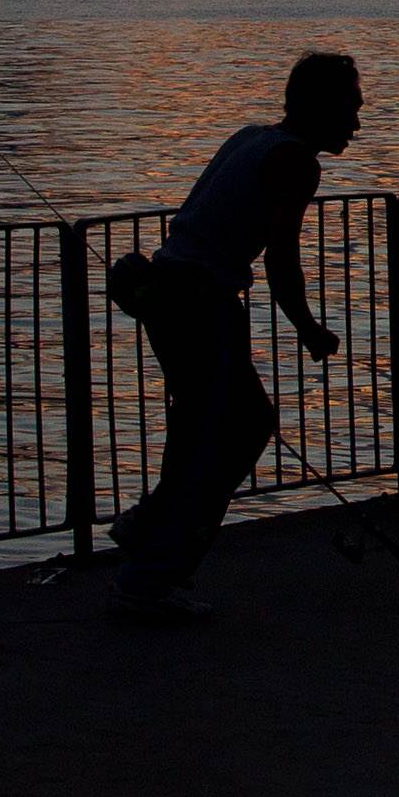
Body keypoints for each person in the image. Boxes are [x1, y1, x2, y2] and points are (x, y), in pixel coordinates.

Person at [107, 52, 362, 624]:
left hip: (173, 290)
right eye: (350, 108)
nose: (356, 123)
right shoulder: (295, 163)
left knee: (214, 428)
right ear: (323, 107)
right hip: (201, 305)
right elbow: (282, 259)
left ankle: (149, 528)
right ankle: (150, 574)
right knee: (226, 434)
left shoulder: (253, 137)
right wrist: (309, 329)